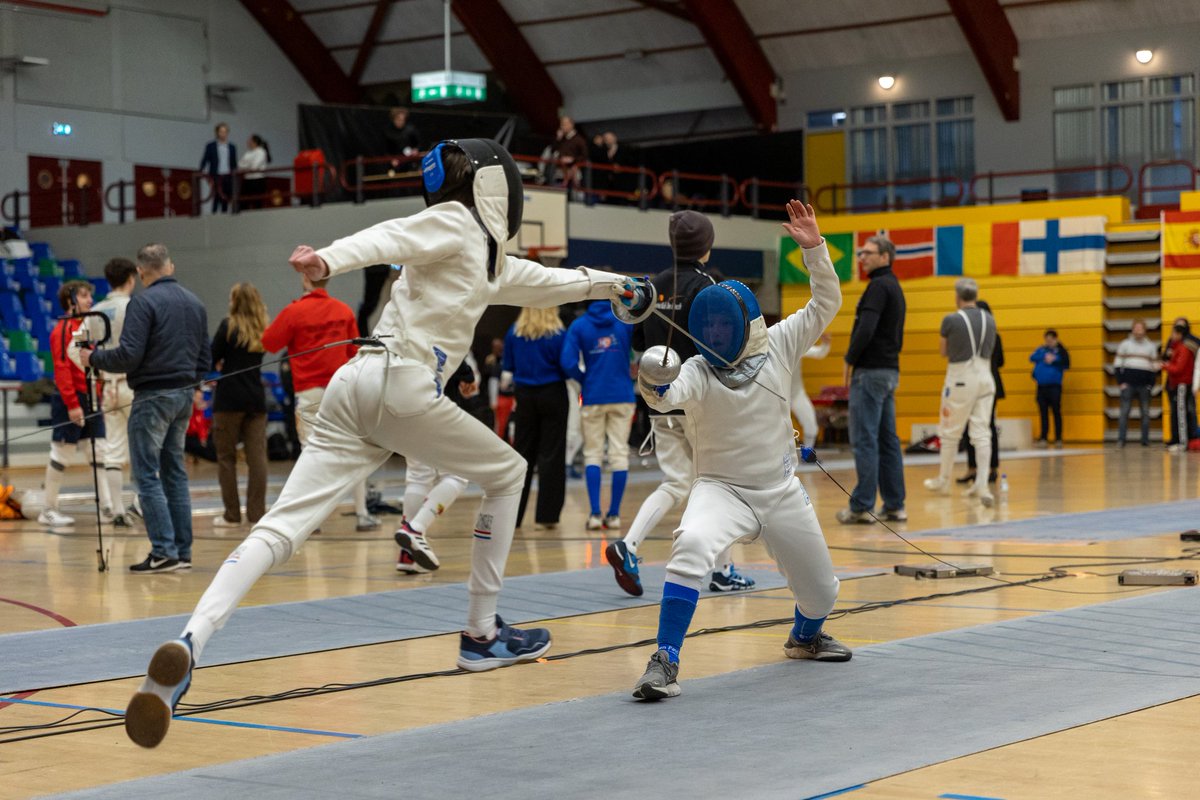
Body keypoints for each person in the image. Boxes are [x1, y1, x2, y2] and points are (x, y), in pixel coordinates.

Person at [122, 139, 650, 749]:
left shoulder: (491, 261)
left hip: (353, 385)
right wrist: (326, 261)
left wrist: (618, 285)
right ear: (496, 190)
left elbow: (556, 281)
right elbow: (392, 234)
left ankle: (191, 641)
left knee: (280, 528)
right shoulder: (453, 222)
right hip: (400, 387)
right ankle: (481, 634)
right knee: (507, 473)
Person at [631, 200, 847, 701]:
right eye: (709, 330)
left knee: (823, 591)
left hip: (780, 490)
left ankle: (805, 637)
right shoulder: (698, 370)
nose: (715, 335)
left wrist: (815, 250)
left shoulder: (779, 343)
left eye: (724, 327)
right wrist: (652, 377)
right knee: (689, 547)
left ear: (745, 324)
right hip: (721, 490)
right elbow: (667, 396)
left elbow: (824, 304)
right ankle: (665, 659)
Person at [608, 210, 754, 597]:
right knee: (718, 482)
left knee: (677, 483)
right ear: (706, 244)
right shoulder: (710, 284)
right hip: (701, 401)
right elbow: (726, 344)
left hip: (661, 400)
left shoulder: (653, 286)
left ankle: (630, 545)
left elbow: (640, 344)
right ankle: (722, 571)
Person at [82, 243, 210, 574]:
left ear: (141, 272)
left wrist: (93, 358)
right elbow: (204, 358)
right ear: (171, 266)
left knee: (146, 474)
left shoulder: (144, 302)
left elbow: (129, 356)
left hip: (153, 395)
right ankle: (181, 552)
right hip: (183, 395)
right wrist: (191, 384)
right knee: (174, 472)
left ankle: (164, 550)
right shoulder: (195, 302)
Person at [261, 271, 378, 532]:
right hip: (342, 391)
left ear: (305, 280)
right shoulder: (343, 310)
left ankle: (313, 520)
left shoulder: (294, 311)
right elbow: (354, 353)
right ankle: (362, 514)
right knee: (353, 451)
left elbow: (269, 343)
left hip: (309, 394)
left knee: (312, 455)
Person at [837, 235, 907, 524]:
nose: (861, 257)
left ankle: (861, 506)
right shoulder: (894, 286)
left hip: (870, 373)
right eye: (861, 252)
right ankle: (894, 504)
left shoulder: (878, 287)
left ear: (885, 257)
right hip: (889, 371)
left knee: (865, 439)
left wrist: (849, 358)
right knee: (887, 439)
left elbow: (866, 328)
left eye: (868, 253)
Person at [38, 280, 111, 528]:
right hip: (71, 399)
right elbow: (62, 369)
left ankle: (107, 507)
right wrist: (72, 403)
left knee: (99, 451)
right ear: (71, 300)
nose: (89, 300)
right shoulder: (61, 330)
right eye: (83, 295)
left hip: (91, 397)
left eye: (90, 295)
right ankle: (48, 509)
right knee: (62, 453)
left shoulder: (86, 329)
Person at [561, 299, 635, 531]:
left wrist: (585, 379)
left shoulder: (579, 325)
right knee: (619, 454)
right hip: (623, 394)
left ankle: (594, 514)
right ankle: (613, 515)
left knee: (592, 454)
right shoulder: (625, 322)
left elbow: (567, 362)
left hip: (593, 396)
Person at [922, 279, 997, 506]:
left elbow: (944, 351)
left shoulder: (951, 319)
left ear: (957, 296)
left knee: (950, 432)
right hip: (986, 377)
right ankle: (982, 484)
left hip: (961, 379)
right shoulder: (990, 319)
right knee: (982, 432)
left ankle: (943, 479)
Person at [504, 307, 570, 530]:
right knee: (551, 454)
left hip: (524, 395)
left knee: (523, 455)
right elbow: (566, 365)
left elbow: (508, 366)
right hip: (553, 392)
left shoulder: (515, 331)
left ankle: (514, 515)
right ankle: (547, 516)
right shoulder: (558, 333)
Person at [210, 283, 270, 528]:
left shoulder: (227, 326)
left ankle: (232, 515)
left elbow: (211, 356)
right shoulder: (263, 328)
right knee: (258, 459)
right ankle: (256, 513)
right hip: (255, 398)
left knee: (226, 458)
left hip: (228, 400)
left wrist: (220, 365)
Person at [85, 257, 138, 527]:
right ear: (131, 278)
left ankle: (118, 510)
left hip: (108, 386)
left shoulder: (95, 311)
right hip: (134, 383)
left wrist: (93, 366)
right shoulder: (135, 306)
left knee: (114, 449)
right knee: (146, 446)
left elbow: (76, 348)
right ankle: (140, 504)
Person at [958, 299, 1004, 484]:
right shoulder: (995, 336)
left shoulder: (972, 337)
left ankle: (981, 468)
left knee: (980, 427)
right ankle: (983, 469)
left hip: (979, 384)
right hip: (987, 383)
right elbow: (1001, 362)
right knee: (984, 426)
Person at [1114, 318, 1159, 448]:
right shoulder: (1125, 344)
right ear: (1132, 329)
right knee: (1124, 412)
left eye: (1141, 328)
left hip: (1144, 385)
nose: (1138, 331)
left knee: (1145, 413)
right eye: (1136, 328)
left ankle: (1145, 440)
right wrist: (1120, 382)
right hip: (1128, 384)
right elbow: (1117, 365)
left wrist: (1151, 384)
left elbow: (1154, 367)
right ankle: (1121, 440)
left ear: (1145, 330)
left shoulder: (1151, 346)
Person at [790, 333, 832, 449]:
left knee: (811, 425)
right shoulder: (771, 348)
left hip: (796, 394)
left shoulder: (797, 347)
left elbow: (819, 353)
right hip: (776, 397)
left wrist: (826, 344)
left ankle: (808, 455)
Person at [1030, 329, 1070, 448]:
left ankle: (1058, 438)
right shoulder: (1041, 350)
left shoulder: (1061, 351)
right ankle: (1044, 437)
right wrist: (1044, 355)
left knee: (1056, 412)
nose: (1048, 342)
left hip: (1054, 386)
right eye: (1046, 340)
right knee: (1043, 412)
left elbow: (1067, 363)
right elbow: (1032, 357)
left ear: (1055, 339)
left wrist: (1054, 359)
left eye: (1051, 340)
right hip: (1041, 386)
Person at [1162, 322, 1197, 452]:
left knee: (1181, 414)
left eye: (1173, 333)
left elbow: (1179, 369)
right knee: (1178, 413)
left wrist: (1164, 366)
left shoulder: (1184, 348)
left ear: (1179, 334)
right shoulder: (1176, 347)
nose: (1171, 335)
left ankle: (1182, 443)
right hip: (1177, 384)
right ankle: (1180, 441)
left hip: (1182, 384)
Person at [199, 122, 236, 213]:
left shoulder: (232, 147)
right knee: (216, 196)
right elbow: (205, 159)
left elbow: (234, 163)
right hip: (215, 174)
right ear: (217, 133)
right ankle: (214, 214)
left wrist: (234, 175)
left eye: (225, 132)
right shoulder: (211, 146)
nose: (223, 134)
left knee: (225, 197)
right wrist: (201, 170)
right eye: (221, 131)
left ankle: (224, 215)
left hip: (227, 175)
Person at [237, 135, 271, 211]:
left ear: (254, 142)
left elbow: (255, 166)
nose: (248, 143)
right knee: (244, 202)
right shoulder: (248, 153)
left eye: (249, 141)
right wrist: (248, 165)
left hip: (257, 180)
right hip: (247, 179)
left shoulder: (261, 152)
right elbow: (239, 165)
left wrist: (246, 165)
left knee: (257, 202)